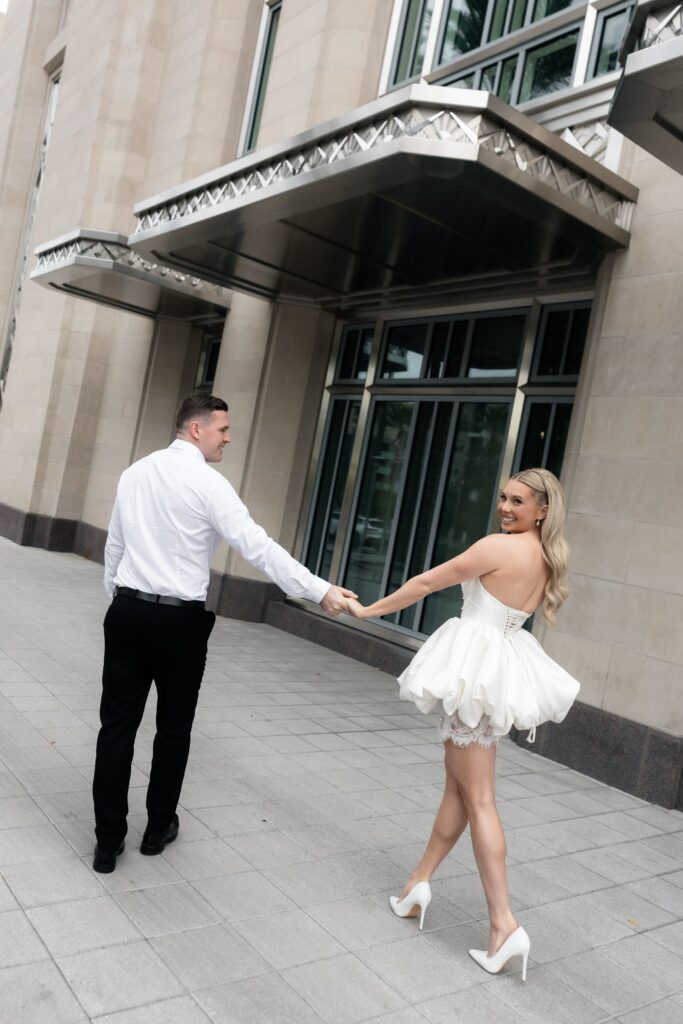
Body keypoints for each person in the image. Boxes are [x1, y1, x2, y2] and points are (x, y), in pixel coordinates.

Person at [92, 392, 356, 873]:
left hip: (128, 613)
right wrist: (319, 591)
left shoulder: (135, 473)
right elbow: (258, 547)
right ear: (196, 429)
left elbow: (115, 546)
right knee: (173, 729)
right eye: (223, 429)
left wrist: (119, 598)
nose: (228, 438)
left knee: (116, 728)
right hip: (179, 623)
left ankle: (107, 843)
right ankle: (156, 831)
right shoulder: (209, 485)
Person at [346, 468, 580, 981]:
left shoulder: (500, 547)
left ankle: (503, 925)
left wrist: (369, 611)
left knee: (479, 798)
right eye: (502, 497)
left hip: (475, 673)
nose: (504, 507)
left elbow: (431, 581)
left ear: (542, 509)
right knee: (457, 789)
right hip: (492, 670)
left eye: (517, 501)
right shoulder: (544, 558)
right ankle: (417, 885)